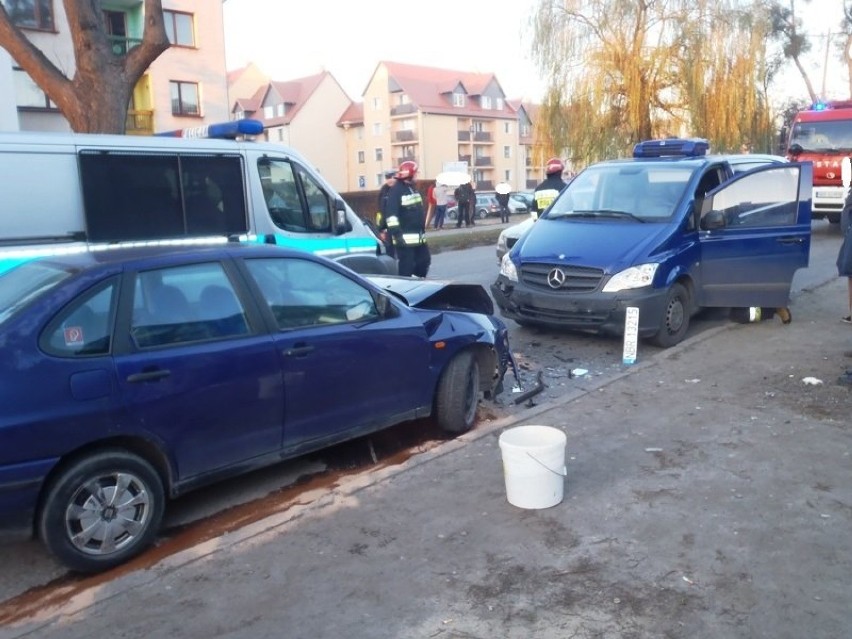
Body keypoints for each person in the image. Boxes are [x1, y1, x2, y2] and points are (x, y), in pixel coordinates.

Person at [383, 160, 430, 277]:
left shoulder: (412, 188)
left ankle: (419, 284)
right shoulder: (397, 191)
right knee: (406, 269)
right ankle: (405, 290)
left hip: (418, 238)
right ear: (409, 174)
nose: (417, 176)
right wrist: (397, 236)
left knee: (424, 261)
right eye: (415, 173)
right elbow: (391, 217)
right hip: (404, 241)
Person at [375, 170, 397, 258]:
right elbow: (380, 212)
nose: (391, 180)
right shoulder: (383, 191)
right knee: (390, 251)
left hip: (401, 227)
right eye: (388, 178)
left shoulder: (401, 189)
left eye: (393, 177)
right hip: (388, 228)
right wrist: (381, 229)